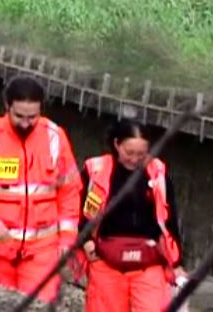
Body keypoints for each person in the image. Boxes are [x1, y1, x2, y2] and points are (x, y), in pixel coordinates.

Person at [0, 76, 82, 303]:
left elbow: (70, 192)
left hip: (43, 252)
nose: (26, 123)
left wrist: (67, 241)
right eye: (19, 116)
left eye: (32, 117)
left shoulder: (55, 138)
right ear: (7, 107)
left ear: (41, 110)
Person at [79, 120, 185, 312]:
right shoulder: (96, 171)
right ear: (117, 144)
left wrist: (176, 263)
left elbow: (169, 220)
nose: (135, 159)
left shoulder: (158, 173)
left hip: (150, 262)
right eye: (129, 153)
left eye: (141, 154)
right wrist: (85, 241)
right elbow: (77, 210)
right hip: (105, 261)